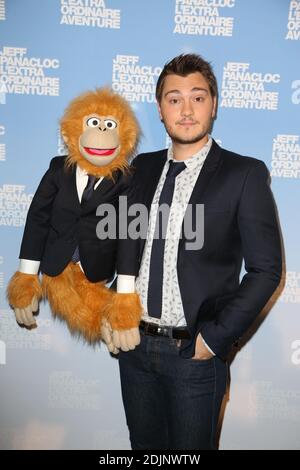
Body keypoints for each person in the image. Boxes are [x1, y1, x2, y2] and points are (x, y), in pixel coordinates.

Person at [113, 54, 282, 450]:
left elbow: (266, 270)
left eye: (198, 97)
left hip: (194, 356)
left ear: (214, 104)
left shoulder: (244, 174)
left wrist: (214, 341)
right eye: (174, 99)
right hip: (135, 351)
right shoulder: (141, 168)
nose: (186, 110)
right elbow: (124, 246)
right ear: (159, 110)